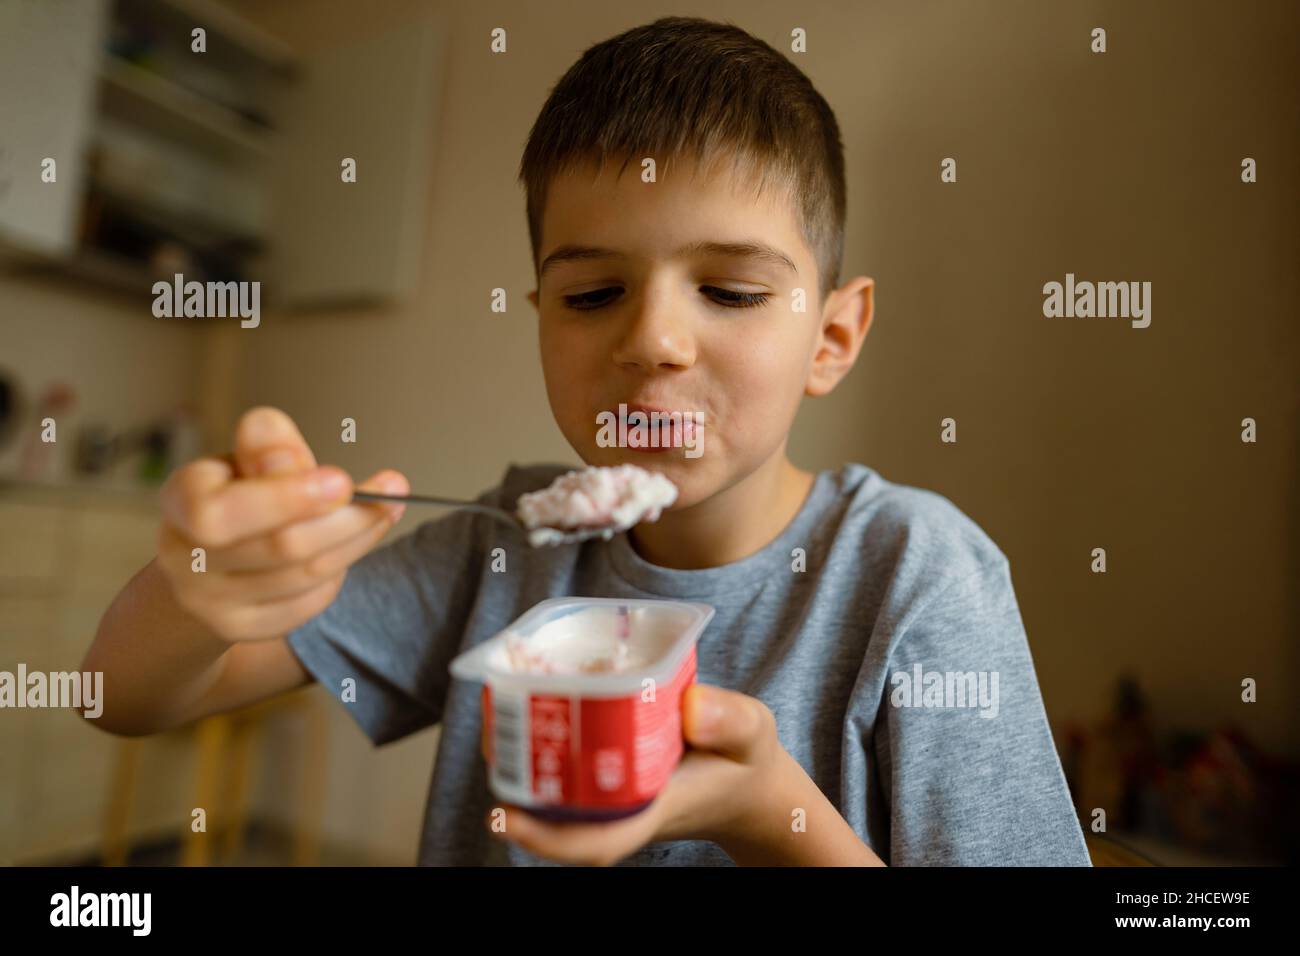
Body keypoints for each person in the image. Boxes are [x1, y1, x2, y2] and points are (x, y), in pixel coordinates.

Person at [82, 16, 1090, 867]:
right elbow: (119, 697)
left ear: (831, 335)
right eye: (592, 293)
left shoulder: (918, 574)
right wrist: (202, 585)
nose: (650, 341)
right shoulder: (502, 544)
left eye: (730, 291)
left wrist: (770, 812)